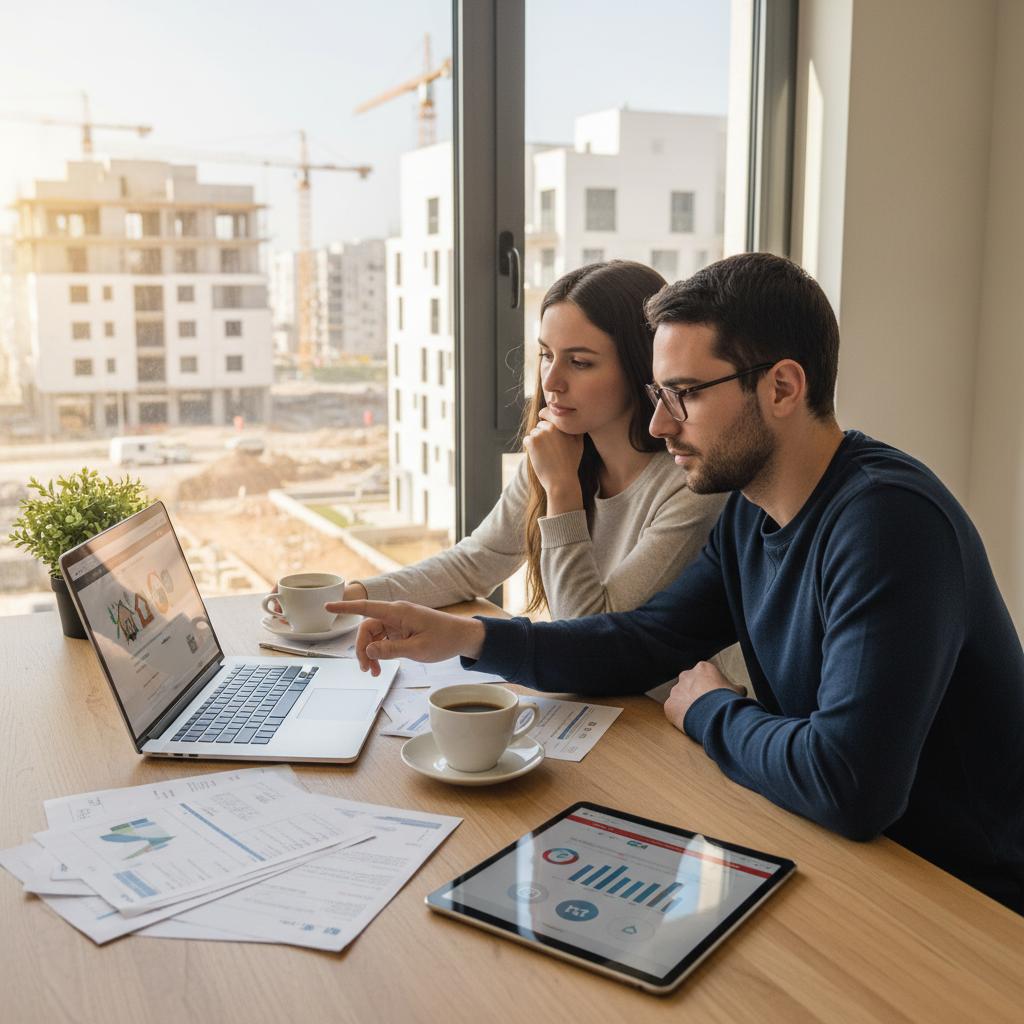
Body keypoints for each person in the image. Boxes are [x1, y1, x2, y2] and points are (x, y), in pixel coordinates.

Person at [329, 253, 1024, 914]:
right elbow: (645, 639)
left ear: (782, 387)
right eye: (660, 395)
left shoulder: (887, 523)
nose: (660, 424)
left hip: (964, 897)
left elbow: (849, 786)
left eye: (685, 395)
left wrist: (708, 710)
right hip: (851, 858)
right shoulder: (752, 512)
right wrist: (468, 635)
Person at [341, 260, 729, 620]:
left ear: (642, 365)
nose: (551, 381)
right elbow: (476, 562)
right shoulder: (559, 449)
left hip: (655, 696)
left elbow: (590, 633)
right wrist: (352, 596)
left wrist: (562, 490)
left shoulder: (690, 485)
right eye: (546, 355)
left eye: (580, 362)